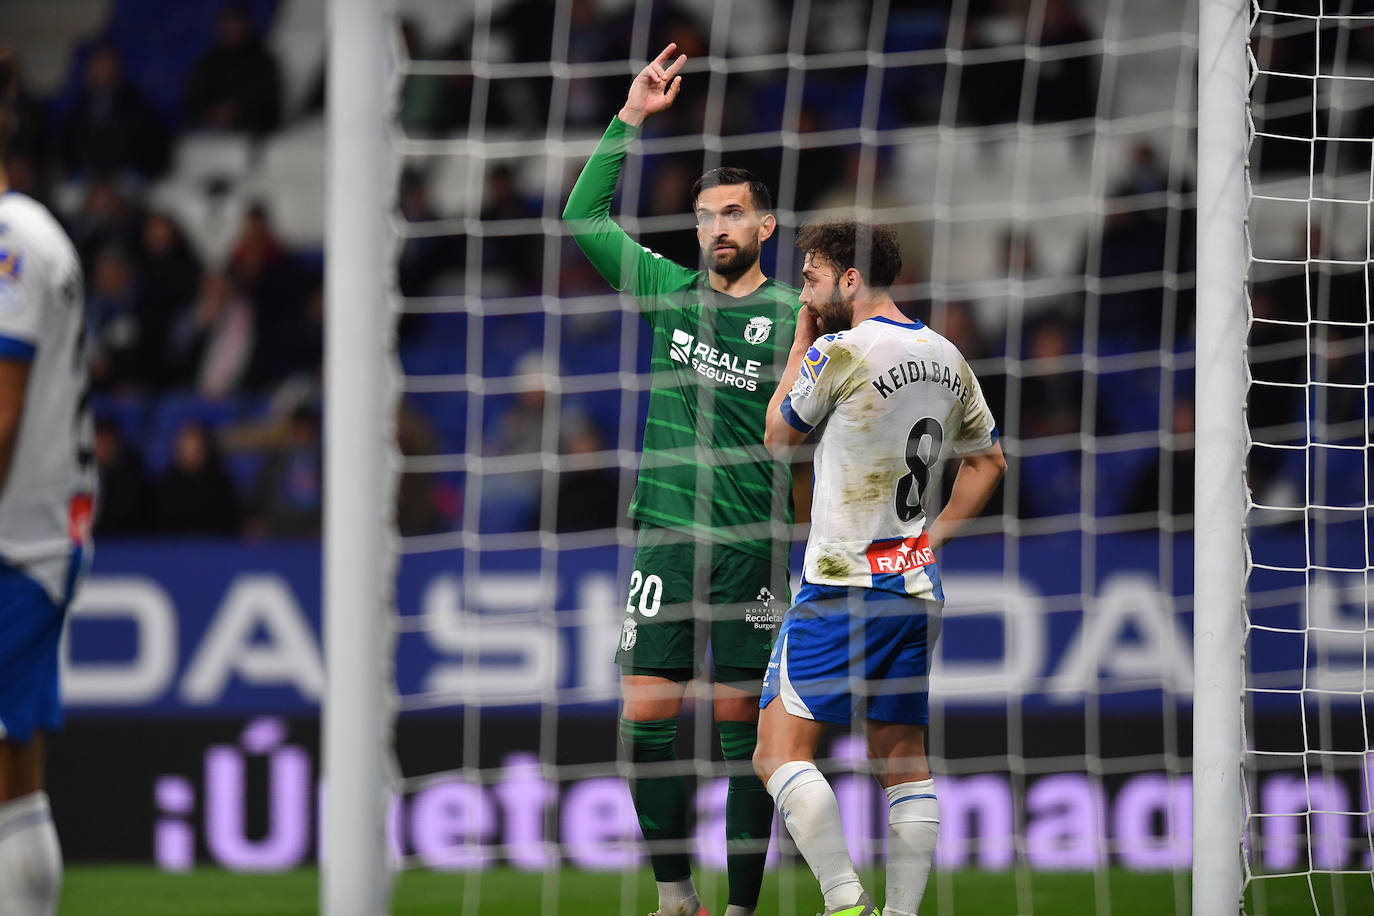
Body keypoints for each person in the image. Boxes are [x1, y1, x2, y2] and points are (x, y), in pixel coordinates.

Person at [562, 43, 800, 916]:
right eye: (705, 217)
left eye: (733, 215)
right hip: (665, 538)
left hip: (752, 552)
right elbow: (582, 219)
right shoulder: (670, 292)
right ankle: (675, 895)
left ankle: (739, 907)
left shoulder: (798, 320)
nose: (717, 230)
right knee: (644, 725)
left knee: (750, 744)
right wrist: (628, 119)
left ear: (765, 229)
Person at [753, 221, 1006, 916]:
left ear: (850, 279)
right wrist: (931, 541)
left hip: (842, 585)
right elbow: (988, 463)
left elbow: (778, 435)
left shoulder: (840, 349)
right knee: (902, 761)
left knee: (777, 753)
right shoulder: (946, 354)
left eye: (810, 279)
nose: (804, 293)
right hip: (916, 588)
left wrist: (802, 342)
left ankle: (845, 904)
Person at [0, 51, 97, 916]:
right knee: (13, 776)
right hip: (31, 537)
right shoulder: (29, 234)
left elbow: (0, 415)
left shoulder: (8, 243)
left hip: (14, 544)